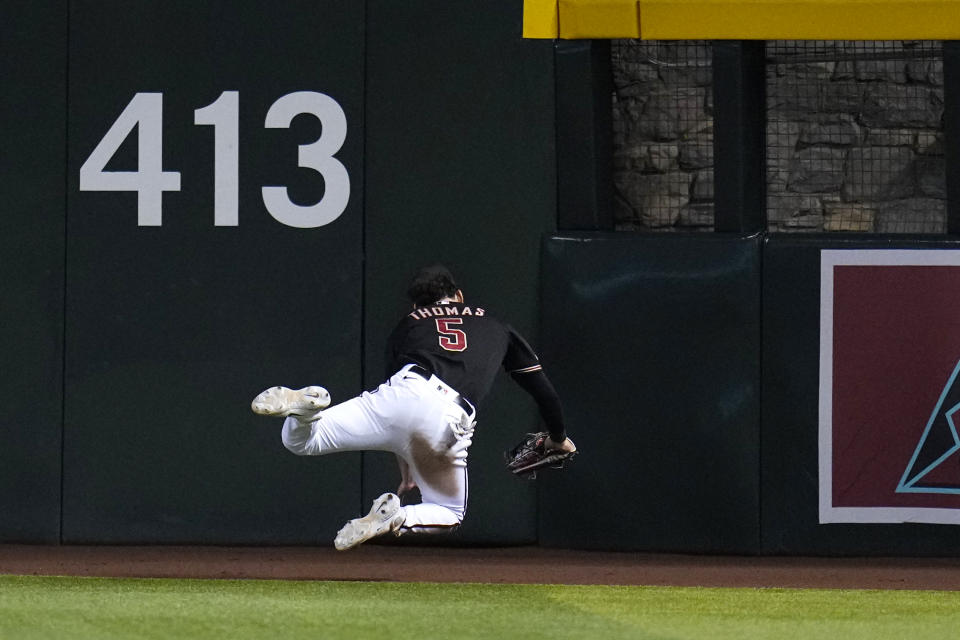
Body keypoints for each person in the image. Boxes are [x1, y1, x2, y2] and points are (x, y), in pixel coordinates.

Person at [251, 264, 575, 550]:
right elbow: (544, 392)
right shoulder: (496, 325)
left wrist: (406, 466)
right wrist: (557, 436)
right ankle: (395, 517)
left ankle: (307, 408)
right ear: (459, 296)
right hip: (446, 416)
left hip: (401, 392)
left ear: (416, 304)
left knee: (303, 441)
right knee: (449, 512)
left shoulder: (409, 324)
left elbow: (402, 415)